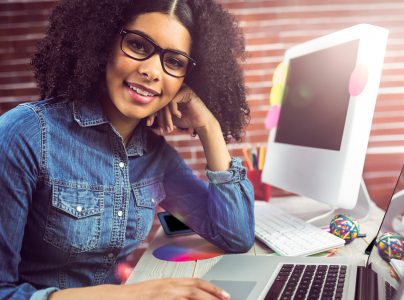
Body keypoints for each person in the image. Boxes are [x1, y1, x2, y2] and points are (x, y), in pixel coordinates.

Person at [0, 0, 255, 299]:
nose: (151, 71)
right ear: (103, 43)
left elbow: (234, 235)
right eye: (136, 45)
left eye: (174, 62)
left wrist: (208, 126)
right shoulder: (26, 134)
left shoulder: (156, 158)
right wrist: (126, 295)